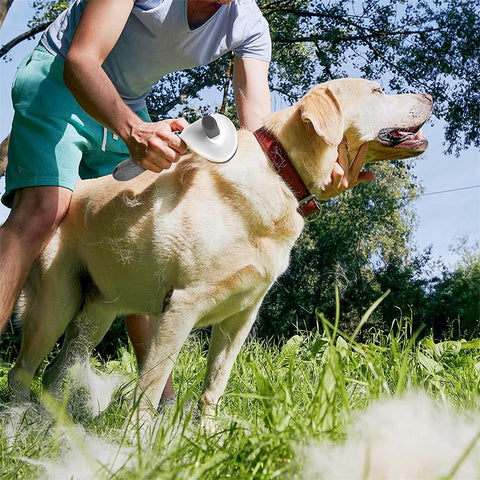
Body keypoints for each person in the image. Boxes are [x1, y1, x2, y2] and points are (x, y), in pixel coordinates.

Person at [0, 0, 373, 403]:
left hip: (128, 100)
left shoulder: (248, 25)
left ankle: (163, 412)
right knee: (44, 211)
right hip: (61, 78)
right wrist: (134, 130)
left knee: (142, 234)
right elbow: (81, 60)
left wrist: (313, 181)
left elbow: (262, 144)